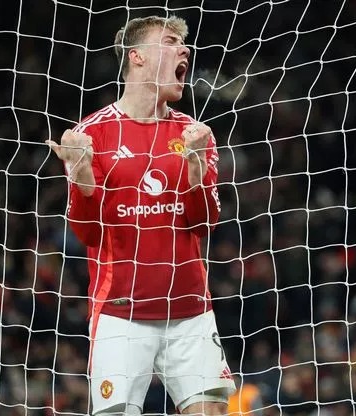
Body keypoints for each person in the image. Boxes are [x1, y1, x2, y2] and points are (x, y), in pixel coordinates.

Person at [46, 15, 235, 416]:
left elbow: (205, 224)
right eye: (171, 42)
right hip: (121, 313)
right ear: (137, 58)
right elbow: (86, 232)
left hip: (190, 311)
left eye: (184, 44)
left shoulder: (194, 135)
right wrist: (80, 176)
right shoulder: (91, 134)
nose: (185, 50)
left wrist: (197, 165)